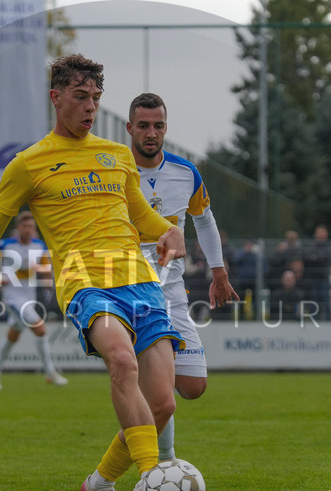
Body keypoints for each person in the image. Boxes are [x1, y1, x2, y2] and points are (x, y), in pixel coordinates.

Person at [0, 54, 187, 491]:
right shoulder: (29, 164)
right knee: (121, 359)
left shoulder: (117, 156)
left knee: (161, 405)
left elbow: (140, 216)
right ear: (56, 97)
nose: (90, 108)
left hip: (140, 282)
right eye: (80, 97)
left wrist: (168, 230)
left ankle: (99, 483)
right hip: (85, 284)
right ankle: (151, 479)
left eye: (95, 99)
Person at [126, 92, 238, 461]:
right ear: (130, 128)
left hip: (173, 291)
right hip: (130, 292)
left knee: (192, 385)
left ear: (165, 128)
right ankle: (163, 463)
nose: (151, 133)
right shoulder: (114, 172)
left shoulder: (185, 172)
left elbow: (205, 220)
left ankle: (150, 434)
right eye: (143, 125)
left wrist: (218, 271)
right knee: (156, 385)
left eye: (158, 125)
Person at [0, 211, 68, 390]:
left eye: (31, 226)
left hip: (30, 296)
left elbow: (46, 269)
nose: (28, 229)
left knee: (13, 334)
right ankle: (50, 372)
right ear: (18, 228)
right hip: (12, 296)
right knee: (40, 329)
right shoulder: (6, 244)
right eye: (25, 226)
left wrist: (43, 274)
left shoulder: (40, 246)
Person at [303, 225, 331, 320]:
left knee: (326, 301)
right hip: (313, 279)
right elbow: (308, 258)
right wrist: (317, 258)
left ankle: (328, 321)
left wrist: (315, 258)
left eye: (323, 233)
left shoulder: (329, 247)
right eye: (319, 233)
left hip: (324, 278)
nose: (320, 235)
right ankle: (314, 321)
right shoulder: (312, 246)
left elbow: (326, 258)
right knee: (314, 301)